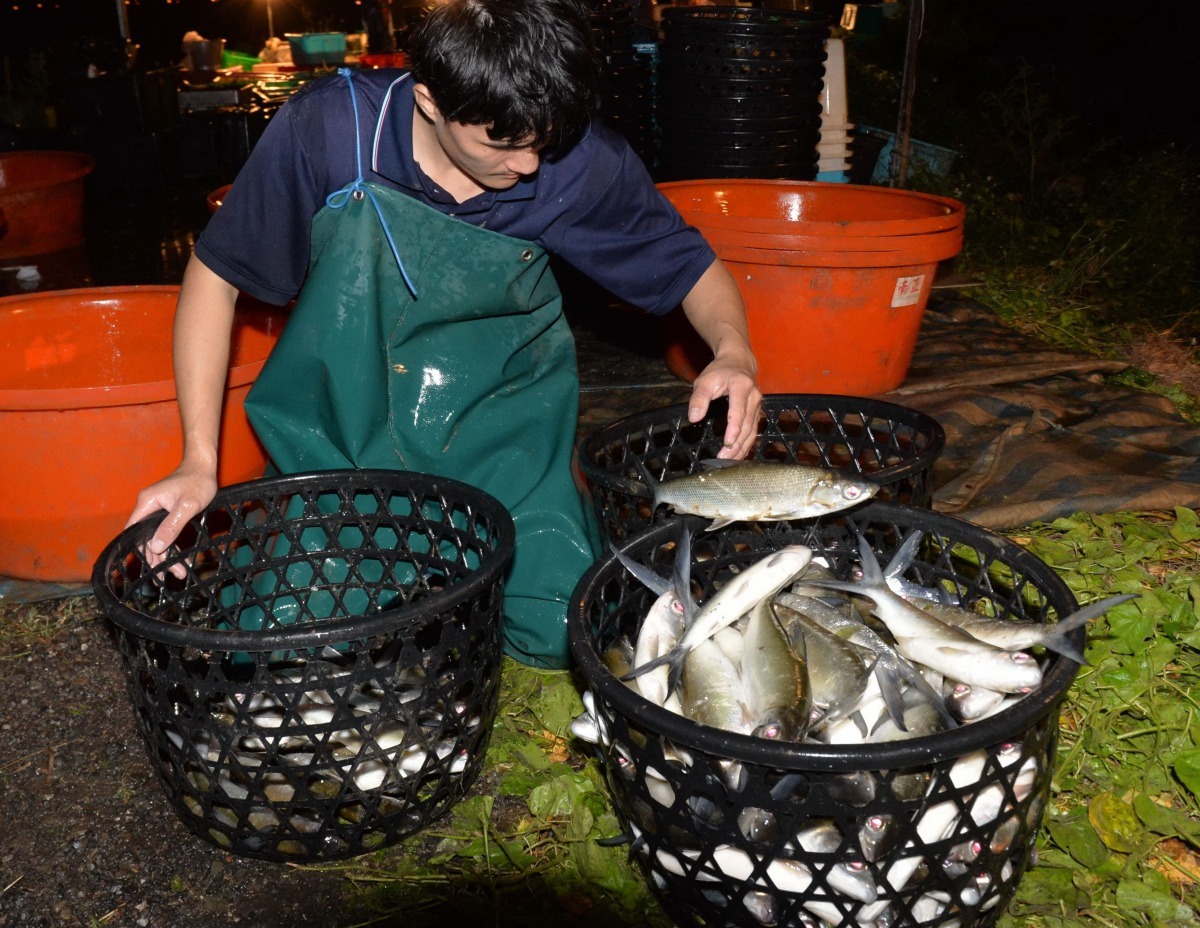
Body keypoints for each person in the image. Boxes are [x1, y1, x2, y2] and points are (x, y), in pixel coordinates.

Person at [126, 0, 762, 669]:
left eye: (544, 143)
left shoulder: (577, 162)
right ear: (429, 99)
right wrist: (199, 459)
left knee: (572, 635)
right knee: (283, 645)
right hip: (344, 443)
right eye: (502, 143)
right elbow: (214, 274)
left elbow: (693, 269)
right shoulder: (330, 129)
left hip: (504, 441)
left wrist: (733, 352)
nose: (527, 167)